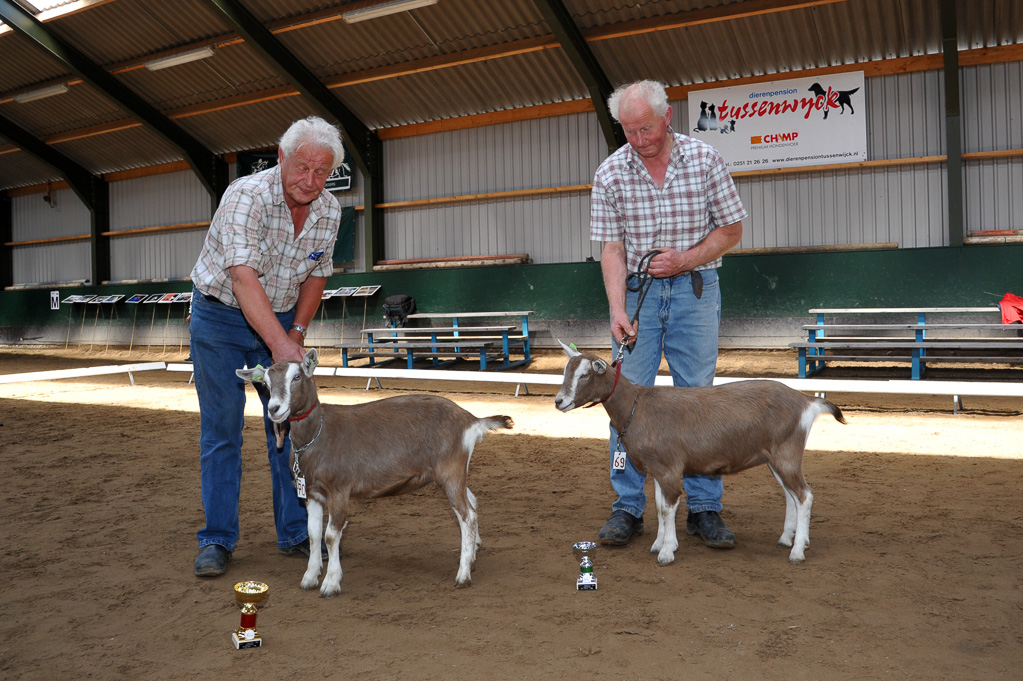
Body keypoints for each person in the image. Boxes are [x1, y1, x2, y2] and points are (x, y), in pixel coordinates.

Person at [589, 80, 747, 549]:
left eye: (646, 128)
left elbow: (732, 229)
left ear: (667, 116)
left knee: (698, 401)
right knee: (622, 405)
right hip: (637, 296)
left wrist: (686, 259)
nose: (639, 139)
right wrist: (617, 308)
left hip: (694, 292)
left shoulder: (705, 160)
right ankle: (627, 506)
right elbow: (612, 248)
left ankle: (704, 507)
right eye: (630, 131)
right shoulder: (611, 173)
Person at [189, 116, 345, 577]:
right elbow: (242, 277)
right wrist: (280, 346)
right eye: (302, 168)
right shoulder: (245, 197)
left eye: (321, 172)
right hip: (218, 316)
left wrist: (294, 333)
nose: (310, 181)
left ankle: (296, 532)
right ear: (281, 158)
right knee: (222, 430)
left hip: (278, 318)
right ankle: (217, 539)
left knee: (292, 429)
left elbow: (317, 274)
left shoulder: (330, 210)